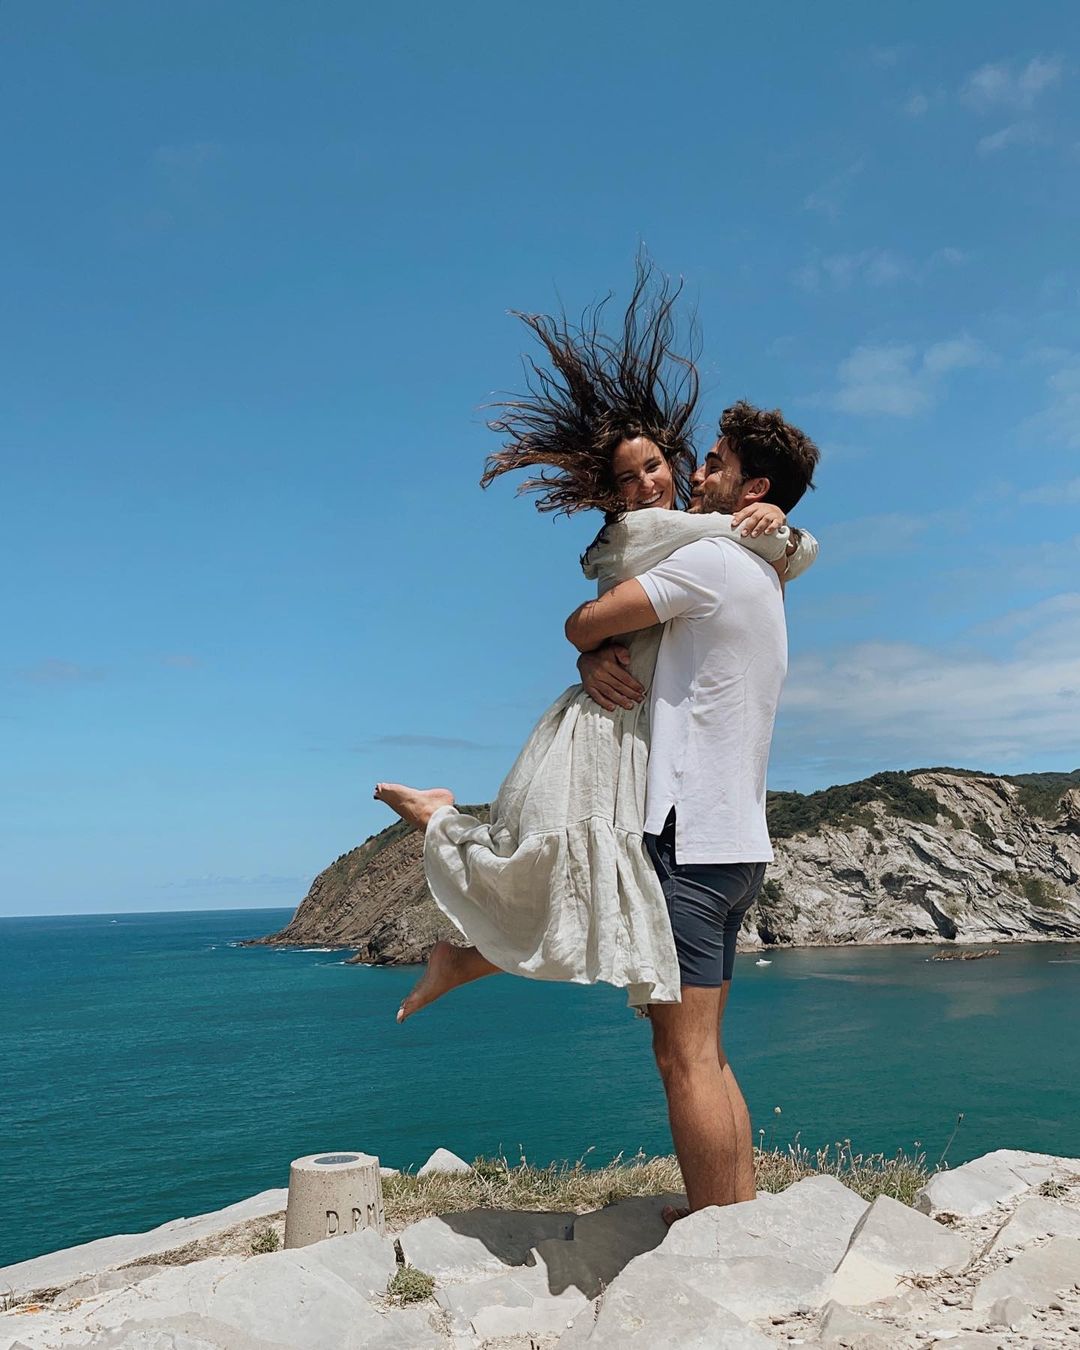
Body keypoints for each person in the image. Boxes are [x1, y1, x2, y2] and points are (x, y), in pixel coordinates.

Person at [374, 265, 817, 1022]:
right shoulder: (660, 538)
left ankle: (462, 946)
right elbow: (588, 620)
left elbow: (757, 558)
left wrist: (782, 524)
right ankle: (440, 826)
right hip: (608, 724)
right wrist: (780, 527)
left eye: (660, 467)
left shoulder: (717, 547)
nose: (649, 483)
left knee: (591, 886)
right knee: (552, 864)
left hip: (652, 743)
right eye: (631, 476)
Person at [567, 401, 820, 1219]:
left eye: (711, 462)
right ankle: (735, 1214)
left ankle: (717, 1237)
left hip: (689, 842)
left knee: (681, 1060)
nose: (693, 473)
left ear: (751, 485)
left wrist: (590, 648)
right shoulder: (762, 568)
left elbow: (584, 617)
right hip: (738, 844)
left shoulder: (712, 560)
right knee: (708, 1054)